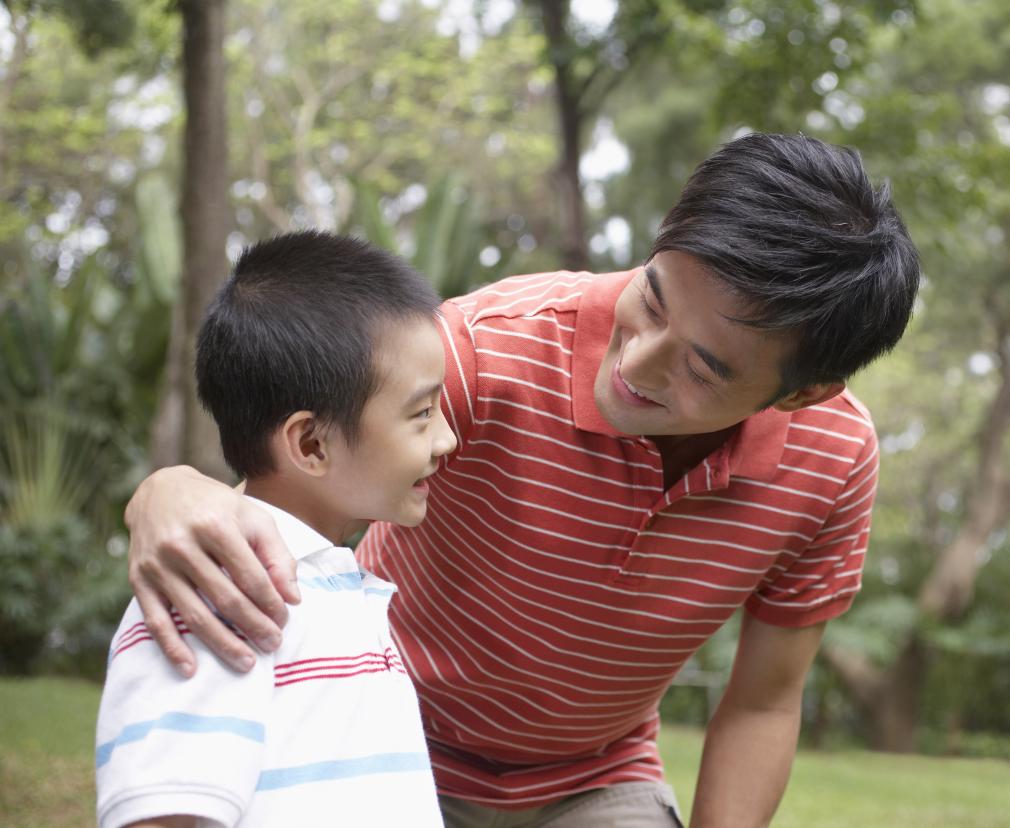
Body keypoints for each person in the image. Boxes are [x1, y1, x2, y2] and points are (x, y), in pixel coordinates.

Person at [122, 133, 921, 827]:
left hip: (593, 781)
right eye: (652, 299)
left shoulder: (834, 458)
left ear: (807, 391)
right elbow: (294, 459)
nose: (635, 363)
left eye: (704, 369)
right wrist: (171, 490)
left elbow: (765, 701)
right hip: (385, 733)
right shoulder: (481, 351)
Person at [95, 232, 455, 828]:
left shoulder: (331, 586)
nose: (447, 439)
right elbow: (164, 816)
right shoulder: (221, 591)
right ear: (311, 444)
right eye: (421, 415)